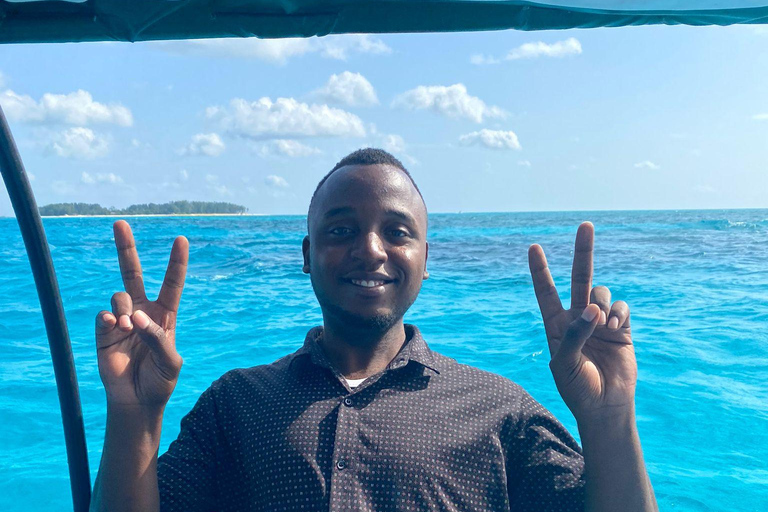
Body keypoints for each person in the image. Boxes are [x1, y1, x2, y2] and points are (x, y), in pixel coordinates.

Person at [89, 148, 658, 511]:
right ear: (307, 255)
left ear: (426, 257)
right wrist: (134, 415)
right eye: (341, 230)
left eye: (396, 231)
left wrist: (608, 417)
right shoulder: (235, 405)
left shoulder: (500, 412)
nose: (369, 250)